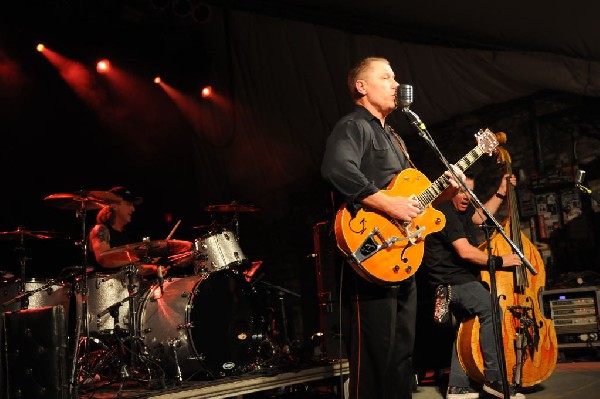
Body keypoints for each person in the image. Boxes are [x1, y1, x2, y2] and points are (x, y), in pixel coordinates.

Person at [321, 56, 464, 399]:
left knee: (402, 349)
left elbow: (413, 199)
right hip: (372, 251)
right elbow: (336, 168)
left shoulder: (396, 138)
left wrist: (444, 190)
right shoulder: (354, 125)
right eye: (386, 77)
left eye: (396, 78)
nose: (396, 85)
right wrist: (387, 203)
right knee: (374, 351)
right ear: (362, 87)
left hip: (402, 253)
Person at [422, 173, 525, 399]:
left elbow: (480, 217)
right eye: (460, 191)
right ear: (448, 191)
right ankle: (495, 380)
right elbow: (465, 251)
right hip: (452, 282)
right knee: (491, 309)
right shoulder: (444, 212)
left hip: (454, 282)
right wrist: (500, 261)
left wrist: (501, 192)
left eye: (469, 191)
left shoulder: (459, 210)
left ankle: (458, 386)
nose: (466, 196)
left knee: (465, 327)